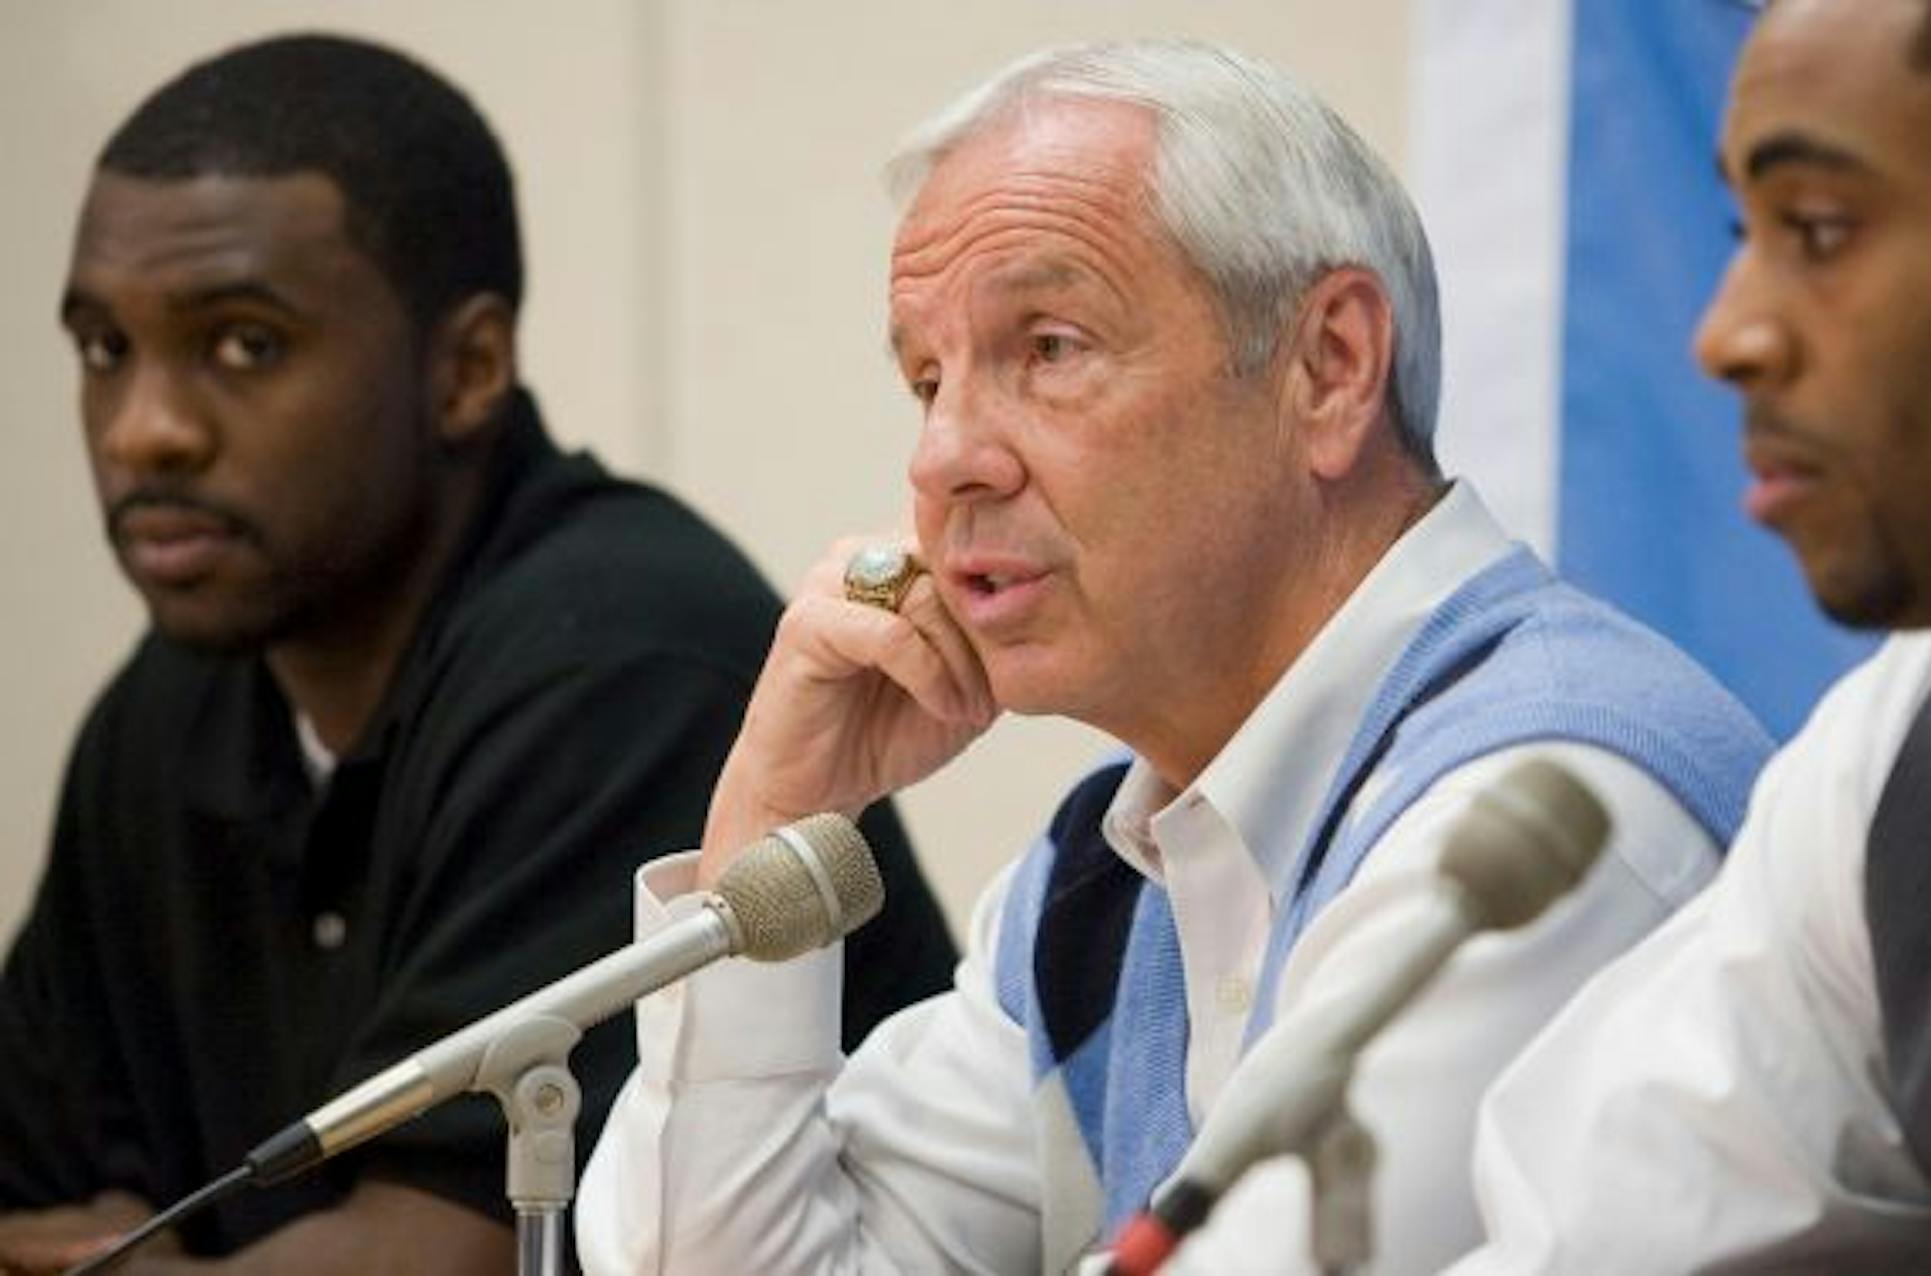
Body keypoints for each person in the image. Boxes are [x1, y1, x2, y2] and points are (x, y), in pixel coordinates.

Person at [575, 39, 1771, 1275]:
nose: (943, 459)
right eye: (928, 378)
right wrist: (776, 824)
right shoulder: (1105, 878)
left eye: (1048, 347)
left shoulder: (1542, 820)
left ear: (1330, 367)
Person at [0, 33, 956, 1275]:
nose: (147, 431)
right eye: (103, 350)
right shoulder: (175, 702)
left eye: (244, 344)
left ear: (467, 370)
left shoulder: (618, 657)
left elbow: (452, 1253)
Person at [1451, 0, 1931, 1269]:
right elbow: (1619, 1208)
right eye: (1742, 236)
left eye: (1820, 233)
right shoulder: (1913, 745)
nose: (1727, 337)